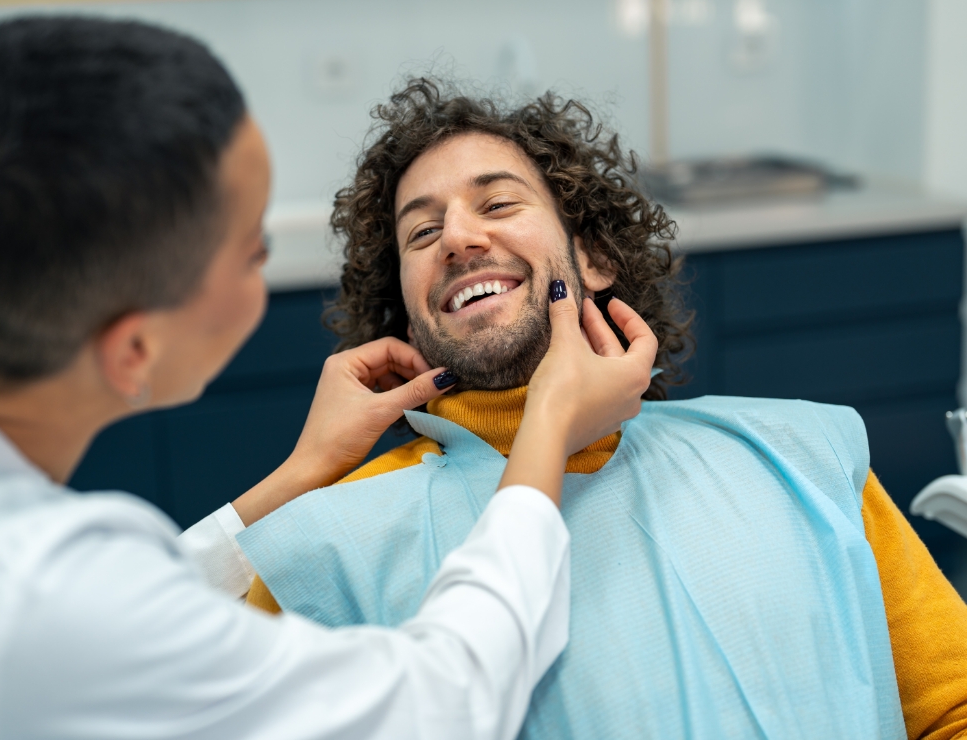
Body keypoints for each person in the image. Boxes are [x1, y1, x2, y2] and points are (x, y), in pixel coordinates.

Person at [0, 18, 661, 740]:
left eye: (498, 204)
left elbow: (110, 626)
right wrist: (548, 428)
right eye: (250, 250)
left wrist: (300, 474)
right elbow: (443, 701)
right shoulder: (37, 597)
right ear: (133, 350)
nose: (458, 239)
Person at [243, 79, 967, 739]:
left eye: (497, 203)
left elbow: (952, 708)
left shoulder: (799, 461)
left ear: (591, 259)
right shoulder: (324, 552)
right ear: (406, 314)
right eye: (422, 233)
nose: (459, 239)